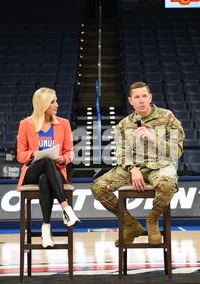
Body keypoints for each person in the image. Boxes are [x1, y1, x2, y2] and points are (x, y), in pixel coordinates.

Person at [91, 81, 185, 246]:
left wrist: (154, 138)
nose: (141, 100)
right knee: (98, 187)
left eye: (144, 96)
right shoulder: (124, 125)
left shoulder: (167, 117)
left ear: (150, 98)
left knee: (167, 185)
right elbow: (121, 154)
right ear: (130, 100)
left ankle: (152, 220)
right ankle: (130, 224)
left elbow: (177, 150)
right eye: (137, 97)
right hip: (134, 167)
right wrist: (132, 169)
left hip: (161, 165)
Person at [17, 87, 80, 248]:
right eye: (53, 101)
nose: (57, 104)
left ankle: (46, 229)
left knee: (45, 178)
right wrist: (34, 154)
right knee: (45, 161)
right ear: (43, 104)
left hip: (55, 171)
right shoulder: (25, 124)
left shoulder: (64, 124)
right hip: (32, 170)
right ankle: (66, 207)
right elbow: (20, 156)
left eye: (56, 101)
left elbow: (69, 152)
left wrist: (63, 158)